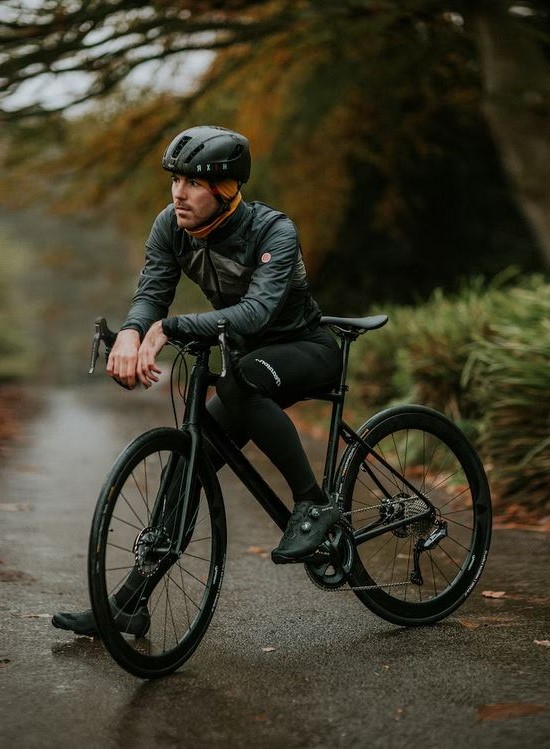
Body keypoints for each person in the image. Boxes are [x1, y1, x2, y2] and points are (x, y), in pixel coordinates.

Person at [52, 125, 342, 637]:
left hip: (305, 351)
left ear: (226, 190)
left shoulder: (273, 230)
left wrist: (170, 328)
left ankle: (312, 502)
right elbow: (152, 291)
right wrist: (133, 331)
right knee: (185, 471)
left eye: (193, 183)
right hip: (246, 360)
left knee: (238, 382)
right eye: (175, 180)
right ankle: (130, 605)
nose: (179, 192)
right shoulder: (171, 226)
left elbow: (255, 312)